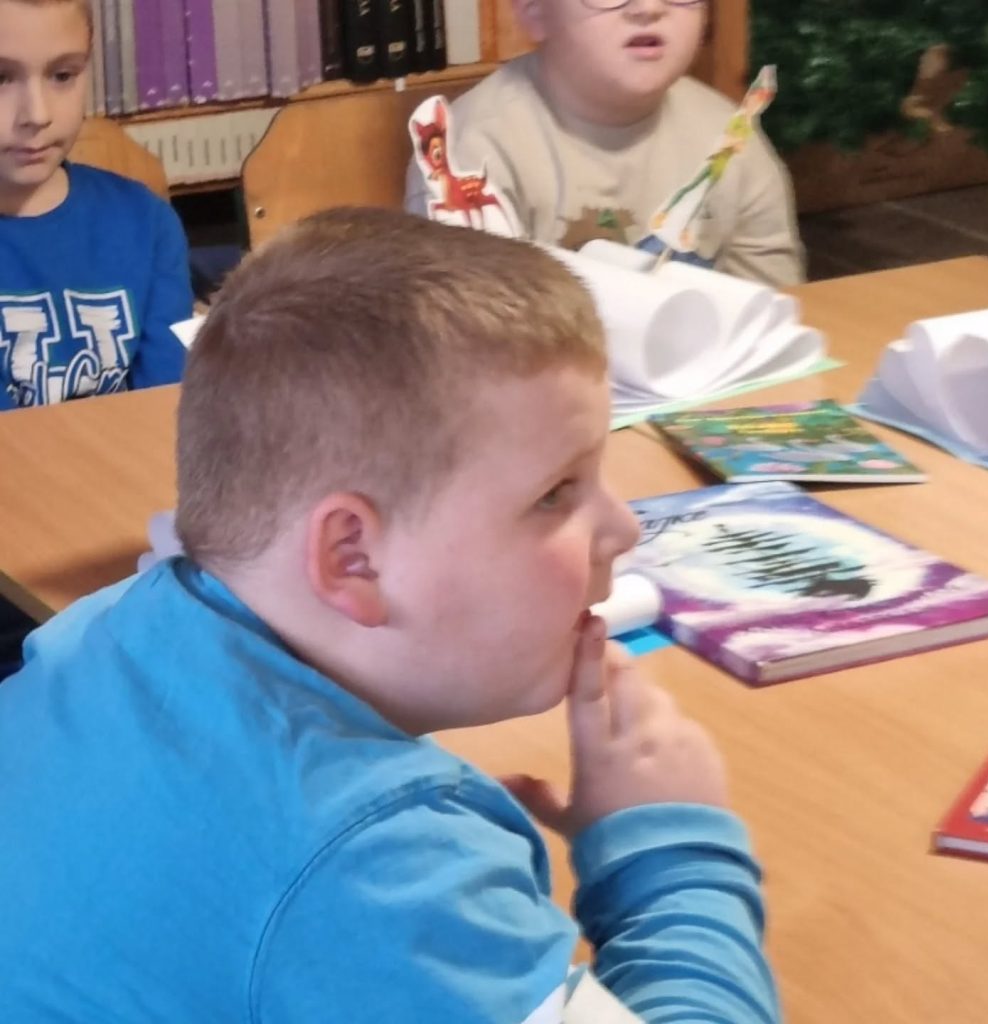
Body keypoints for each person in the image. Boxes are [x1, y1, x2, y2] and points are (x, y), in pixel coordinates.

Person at [0, 207, 780, 1022]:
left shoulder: (113, 627)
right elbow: (337, 876)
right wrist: (671, 854)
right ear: (353, 557)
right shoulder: (376, 867)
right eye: (556, 493)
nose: (623, 529)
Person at [404, 0, 804, 287]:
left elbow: (777, 316)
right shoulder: (468, 153)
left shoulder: (732, 138)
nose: (648, 8)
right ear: (533, 10)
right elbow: (470, 347)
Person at [0, 0, 192, 411]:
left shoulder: (147, 224)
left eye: (62, 75)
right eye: (1, 78)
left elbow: (167, 405)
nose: (37, 114)